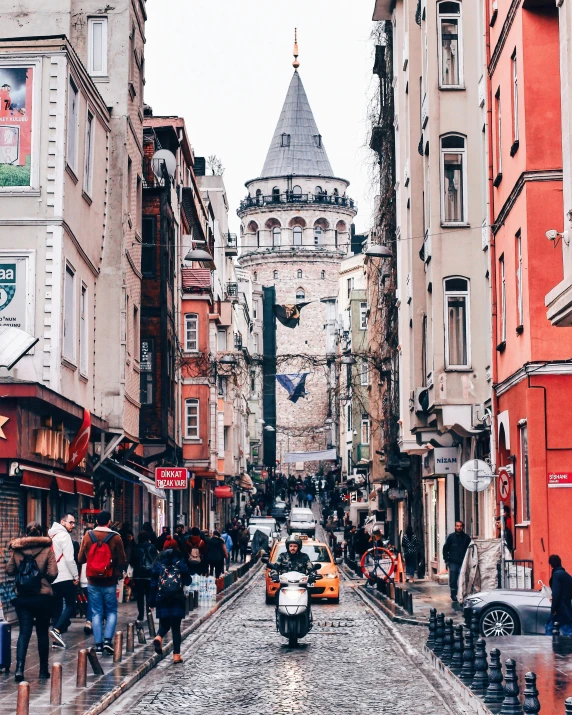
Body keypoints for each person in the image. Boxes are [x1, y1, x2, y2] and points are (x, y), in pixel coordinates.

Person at [7, 522, 58, 682]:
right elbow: (53, 573)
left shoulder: (17, 549)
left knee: (24, 632)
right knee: (42, 632)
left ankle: (20, 669)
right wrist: (42, 579)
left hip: (23, 597)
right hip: (42, 597)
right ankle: (43, 670)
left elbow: (9, 570)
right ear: (41, 533)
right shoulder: (47, 550)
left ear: (26, 533)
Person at [78, 510, 127, 655]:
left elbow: (80, 559)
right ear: (109, 522)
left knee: (96, 612)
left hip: (93, 580)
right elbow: (122, 560)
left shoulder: (88, 536)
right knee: (111, 611)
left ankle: (98, 644)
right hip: (110, 580)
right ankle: (107, 641)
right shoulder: (116, 538)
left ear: (96, 522)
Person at [149, 537, 191, 664]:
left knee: (165, 623)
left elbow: (152, 584)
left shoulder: (158, 563)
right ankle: (176, 655)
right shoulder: (180, 562)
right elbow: (188, 580)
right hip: (177, 598)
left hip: (162, 597)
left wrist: (151, 601)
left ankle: (159, 636)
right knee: (176, 628)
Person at [48, 513, 79, 648]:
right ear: (62, 521)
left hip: (53, 576)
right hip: (65, 576)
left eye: (73, 523)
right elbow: (69, 559)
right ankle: (57, 630)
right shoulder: (64, 536)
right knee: (71, 604)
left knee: (56, 606)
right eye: (70, 522)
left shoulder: (51, 535)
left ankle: (56, 640)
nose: (72, 525)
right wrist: (75, 576)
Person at [271, 535, 317, 622]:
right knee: (277, 594)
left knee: (309, 594)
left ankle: (308, 615)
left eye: (295, 546)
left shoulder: (304, 557)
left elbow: (311, 568)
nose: (293, 548)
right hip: (285, 584)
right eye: (291, 546)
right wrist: (274, 575)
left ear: (299, 547)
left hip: (301, 585)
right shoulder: (282, 556)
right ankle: (278, 613)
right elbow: (275, 568)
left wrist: (312, 575)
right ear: (287, 547)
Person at [130, 532, 158, 622]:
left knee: (139, 595)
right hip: (150, 575)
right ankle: (149, 612)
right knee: (149, 594)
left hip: (138, 575)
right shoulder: (152, 547)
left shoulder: (135, 547)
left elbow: (131, 561)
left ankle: (141, 614)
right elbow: (156, 559)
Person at [442, 520, 471, 603]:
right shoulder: (451, 537)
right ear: (455, 527)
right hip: (453, 562)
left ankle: (463, 593)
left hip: (463, 562)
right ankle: (453, 594)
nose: (459, 528)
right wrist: (446, 560)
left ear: (463, 527)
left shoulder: (466, 538)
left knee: (464, 578)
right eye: (457, 526)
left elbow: (470, 549)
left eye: (460, 526)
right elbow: (445, 549)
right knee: (453, 579)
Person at [549, 554, 572, 636]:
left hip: (561, 607)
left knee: (550, 627)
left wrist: (553, 609)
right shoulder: (566, 575)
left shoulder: (556, 575)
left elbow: (556, 593)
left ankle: (551, 646)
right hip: (566, 605)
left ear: (551, 565)